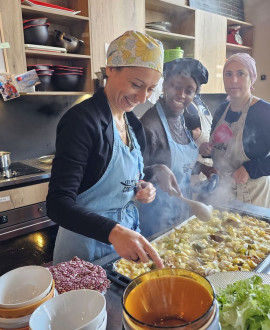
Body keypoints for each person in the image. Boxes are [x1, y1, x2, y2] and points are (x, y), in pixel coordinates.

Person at [46, 31, 180, 267]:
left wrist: (145, 182)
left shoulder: (133, 124)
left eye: (150, 89)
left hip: (123, 248)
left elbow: (124, 178)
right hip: (83, 251)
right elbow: (58, 205)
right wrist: (114, 232)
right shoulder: (82, 121)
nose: (141, 98)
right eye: (136, 84)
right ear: (110, 68)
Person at [138, 58, 215, 236]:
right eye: (176, 86)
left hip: (180, 214)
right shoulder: (150, 126)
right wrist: (154, 173)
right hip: (154, 221)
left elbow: (179, 165)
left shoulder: (182, 117)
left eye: (189, 90)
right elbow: (134, 175)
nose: (181, 94)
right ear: (164, 85)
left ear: (195, 94)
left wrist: (203, 168)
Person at [199, 53, 270, 208]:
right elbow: (220, 148)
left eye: (240, 74)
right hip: (221, 193)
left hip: (252, 197)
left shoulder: (265, 112)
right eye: (228, 74)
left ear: (252, 78)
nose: (233, 80)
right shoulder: (221, 109)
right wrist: (207, 150)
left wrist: (250, 169)